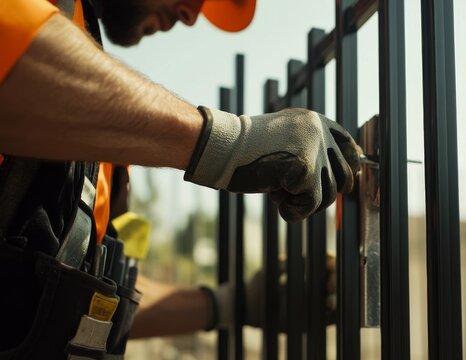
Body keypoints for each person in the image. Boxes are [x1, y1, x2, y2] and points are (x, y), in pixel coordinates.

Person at [0, 0, 359, 358]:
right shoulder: (46, 48)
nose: (190, 15)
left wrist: (232, 304)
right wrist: (227, 141)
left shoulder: (94, 126)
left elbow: (76, 300)